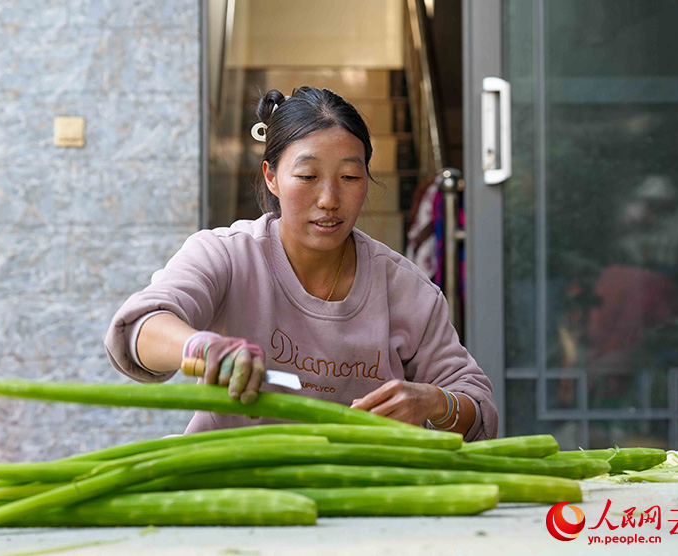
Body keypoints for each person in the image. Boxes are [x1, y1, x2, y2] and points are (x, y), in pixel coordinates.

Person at [104, 87, 498, 440]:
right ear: (271, 177)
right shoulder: (227, 254)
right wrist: (199, 346)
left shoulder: (405, 288)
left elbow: (478, 407)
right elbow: (139, 327)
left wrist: (434, 402)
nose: (329, 199)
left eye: (349, 176)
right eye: (307, 176)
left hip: (362, 496)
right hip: (229, 490)